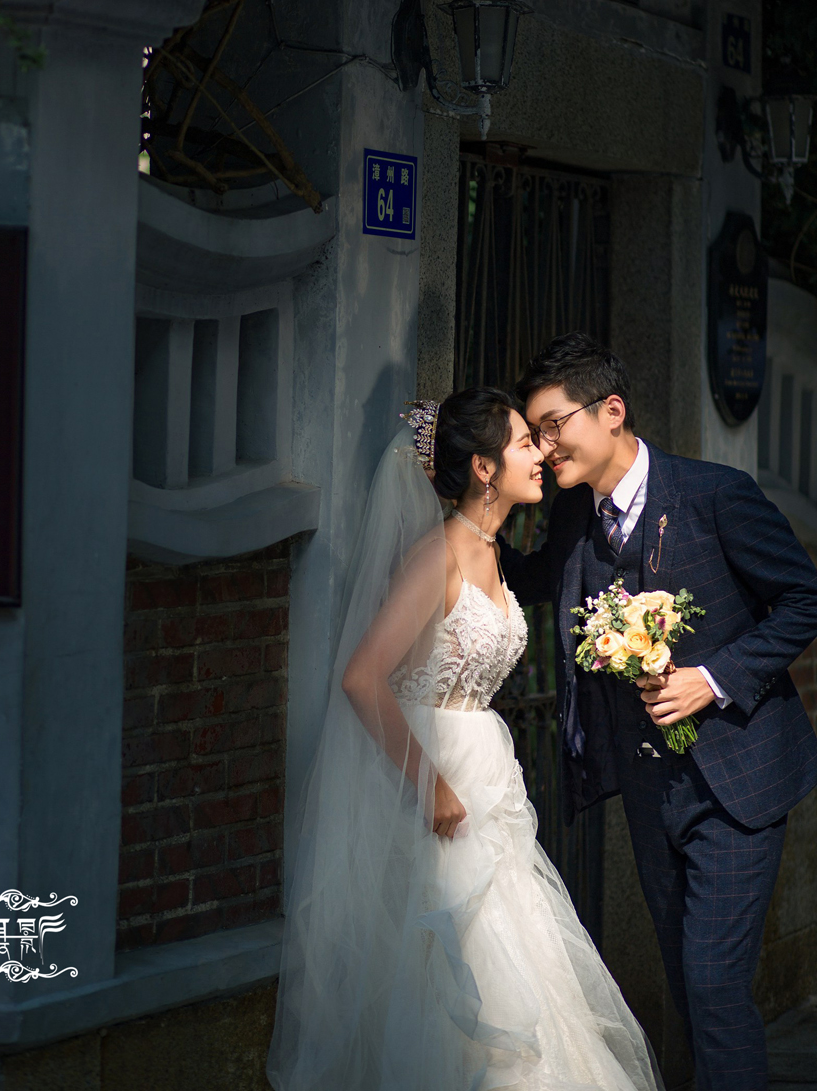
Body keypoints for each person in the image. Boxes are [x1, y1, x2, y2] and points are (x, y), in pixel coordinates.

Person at [267, 388, 662, 1091]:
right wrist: (431, 785)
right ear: (484, 468)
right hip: (433, 780)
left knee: (518, 957)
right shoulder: (439, 554)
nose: (540, 454)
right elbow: (362, 678)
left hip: (488, 780)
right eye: (523, 443)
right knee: (449, 967)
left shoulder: (490, 550)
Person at [500, 331, 817, 1091]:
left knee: (714, 987)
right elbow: (534, 581)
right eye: (533, 433)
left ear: (611, 411)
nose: (544, 447)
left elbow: (804, 597)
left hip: (737, 782)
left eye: (553, 425)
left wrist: (714, 677)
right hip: (650, 792)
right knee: (686, 987)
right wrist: (462, 499)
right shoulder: (573, 515)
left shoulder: (715, 494)